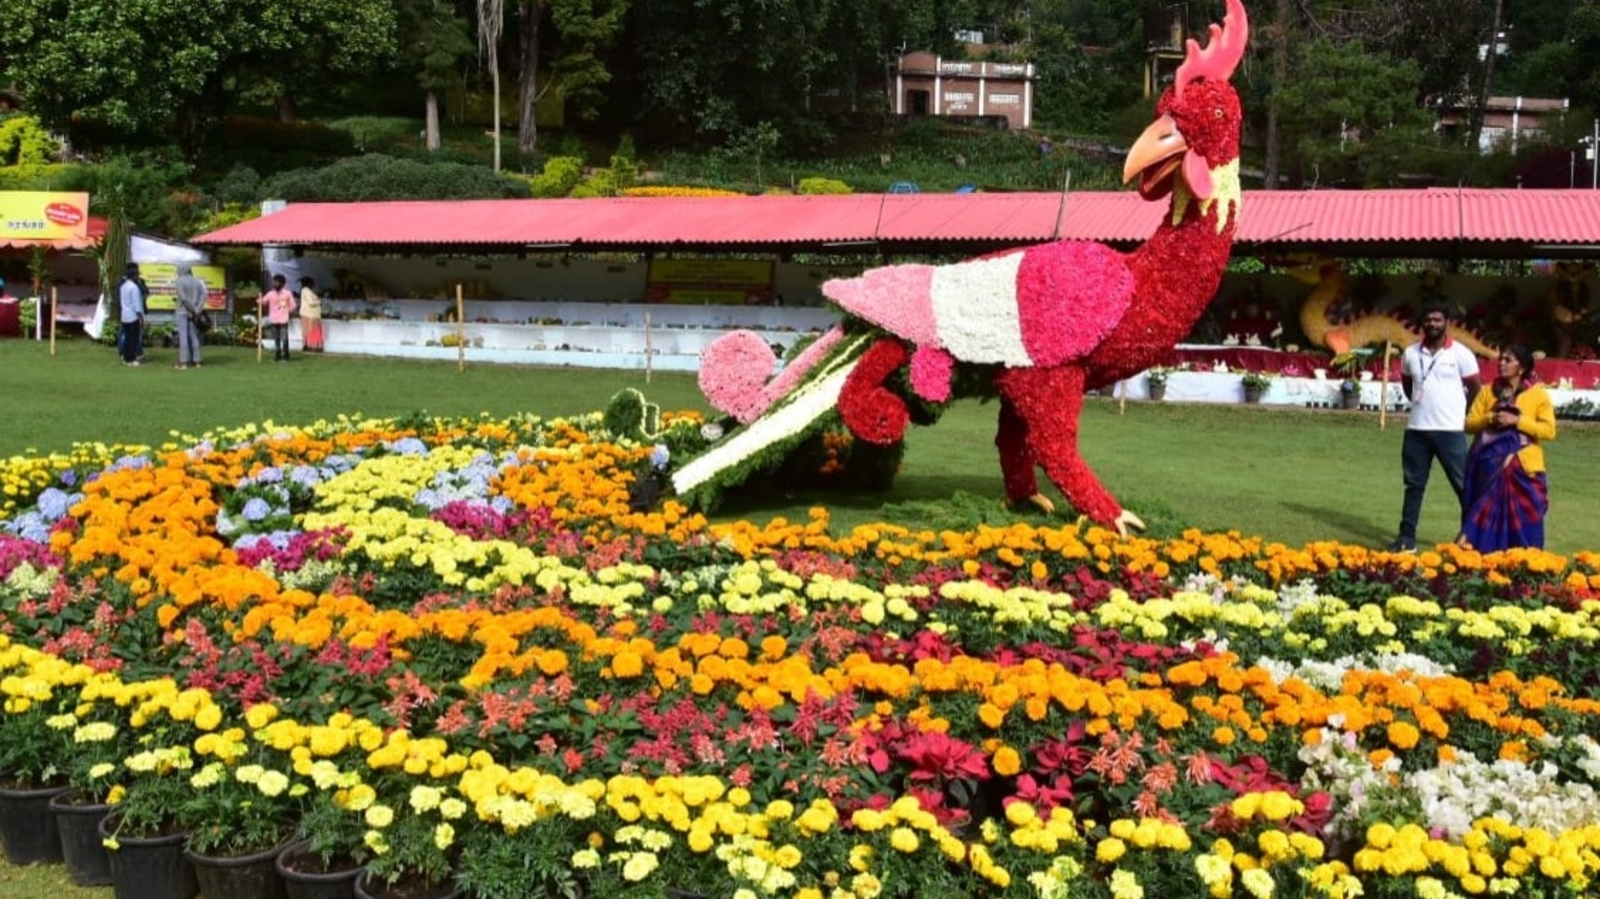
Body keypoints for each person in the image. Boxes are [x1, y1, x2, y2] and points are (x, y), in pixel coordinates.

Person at [1391, 302, 1483, 552]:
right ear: (1422, 324)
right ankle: (1406, 538)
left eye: (1437, 320)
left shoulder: (1461, 354)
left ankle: (1470, 538)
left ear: (1447, 323)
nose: (1432, 324)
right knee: (1413, 485)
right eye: (1428, 320)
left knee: (1462, 485)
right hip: (1417, 430)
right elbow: (1409, 387)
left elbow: (1475, 389)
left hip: (1450, 430)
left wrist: (1462, 414)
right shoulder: (1410, 353)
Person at [1460, 344, 1557, 551]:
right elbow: (1469, 425)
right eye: (1501, 359)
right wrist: (1491, 418)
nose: (1501, 364)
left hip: (1524, 470)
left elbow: (1549, 431)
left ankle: (1525, 563)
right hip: (1489, 468)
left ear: (1522, 367)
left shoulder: (1537, 395)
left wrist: (1518, 421)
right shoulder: (1488, 392)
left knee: (1527, 527)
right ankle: (1481, 561)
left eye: (1508, 360)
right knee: (1483, 522)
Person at [173, 264, 207, 369]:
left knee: (183, 336)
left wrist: (191, 309)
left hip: (182, 312)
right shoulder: (198, 281)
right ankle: (197, 361)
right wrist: (197, 309)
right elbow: (204, 295)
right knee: (194, 336)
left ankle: (183, 361)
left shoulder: (180, 281)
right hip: (195, 313)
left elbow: (183, 298)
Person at [258, 273, 297, 362]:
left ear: (282, 284)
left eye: (277, 282)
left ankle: (285, 356)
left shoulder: (287, 293)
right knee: (276, 339)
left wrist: (287, 311)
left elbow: (293, 305)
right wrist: (260, 301)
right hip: (274, 319)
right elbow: (264, 301)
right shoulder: (271, 294)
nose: (275, 284)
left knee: (284, 339)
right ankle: (277, 356)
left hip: (283, 320)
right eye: (274, 282)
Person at [117, 263, 145, 366]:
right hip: (133, 316)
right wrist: (141, 318)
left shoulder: (123, 286)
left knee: (127, 338)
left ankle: (126, 357)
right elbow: (137, 305)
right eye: (137, 275)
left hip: (124, 315)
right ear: (134, 276)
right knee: (133, 339)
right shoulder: (134, 288)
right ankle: (131, 359)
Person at [298, 276, 324, 352]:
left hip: (309, 314)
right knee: (312, 330)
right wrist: (319, 302)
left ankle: (306, 345)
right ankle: (313, 346)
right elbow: (311, 302)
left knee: (307, 330)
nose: (313, 285)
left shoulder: (304, 291)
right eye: (312, 284)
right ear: (309, 283)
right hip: (310, 314)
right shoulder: (306, 291)